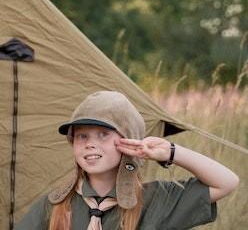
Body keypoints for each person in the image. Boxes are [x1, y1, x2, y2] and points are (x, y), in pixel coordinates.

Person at [15, 91, 239, 230]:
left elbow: (226, 182)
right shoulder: (54, 205)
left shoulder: (157, 199)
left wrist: (171, 151)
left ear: (128, 141)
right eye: (81, 136)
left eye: (103, 134)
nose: (90, 144)